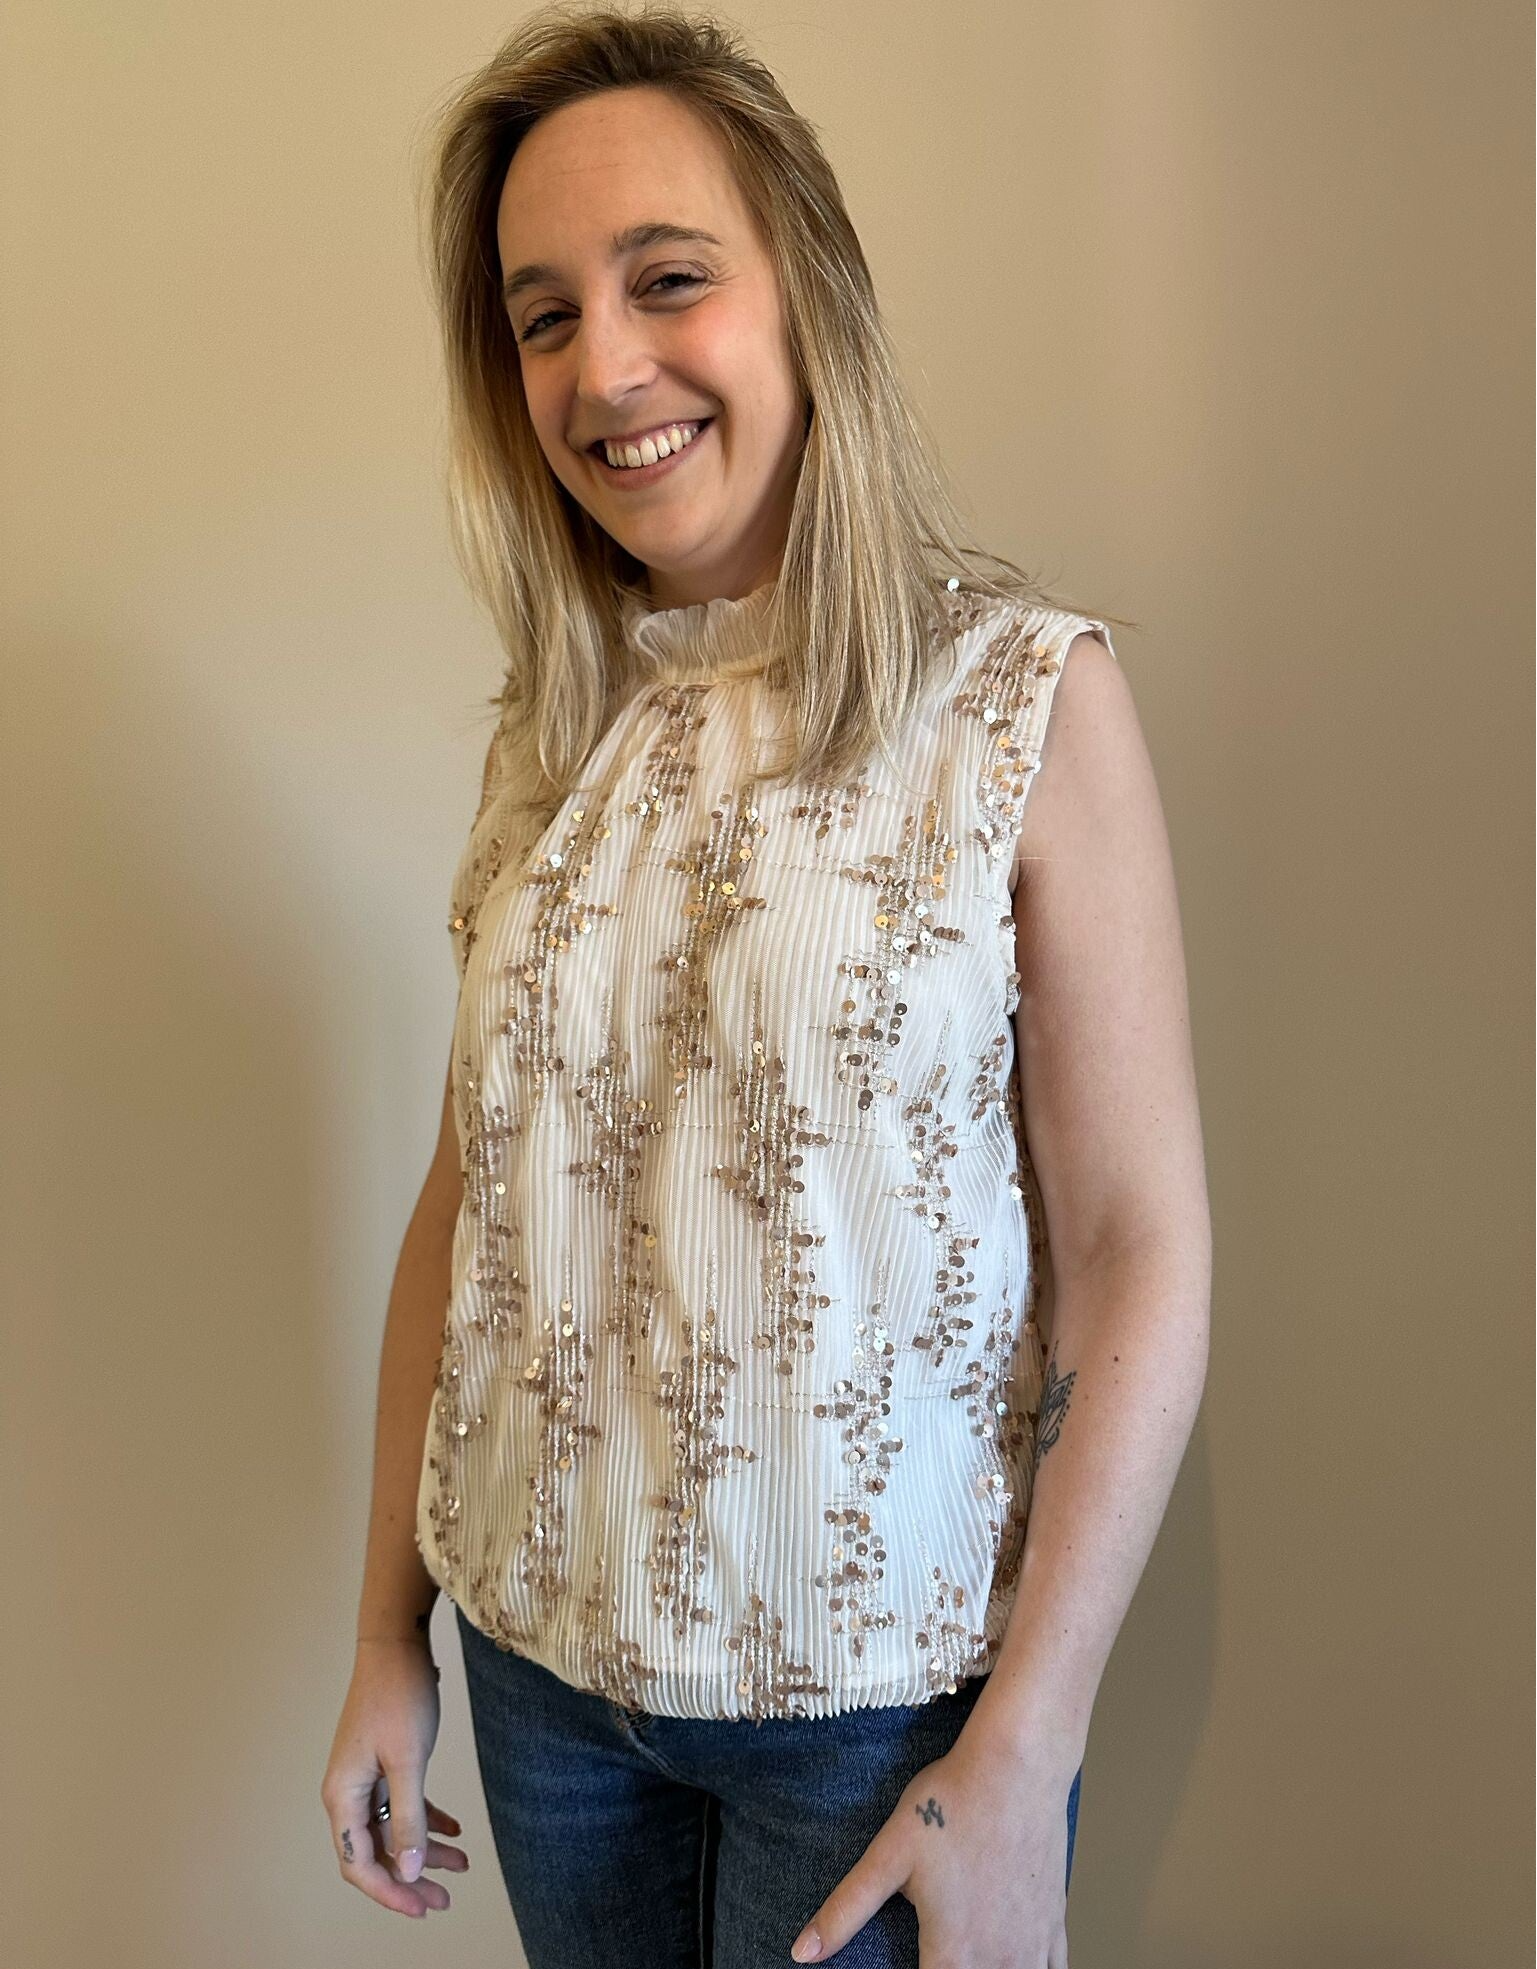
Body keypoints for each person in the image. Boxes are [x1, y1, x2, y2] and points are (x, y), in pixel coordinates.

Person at [321, 9, 1211, 1967]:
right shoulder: (549, 737)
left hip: (877, 1715)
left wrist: (1027, 1750)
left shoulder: (1020, 702)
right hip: (541, 1685)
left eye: (667, 280)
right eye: (544, 318)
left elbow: (1137, 1251)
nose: (603, 368)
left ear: (806, 289)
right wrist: (389, 1632)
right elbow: (470, 1204)